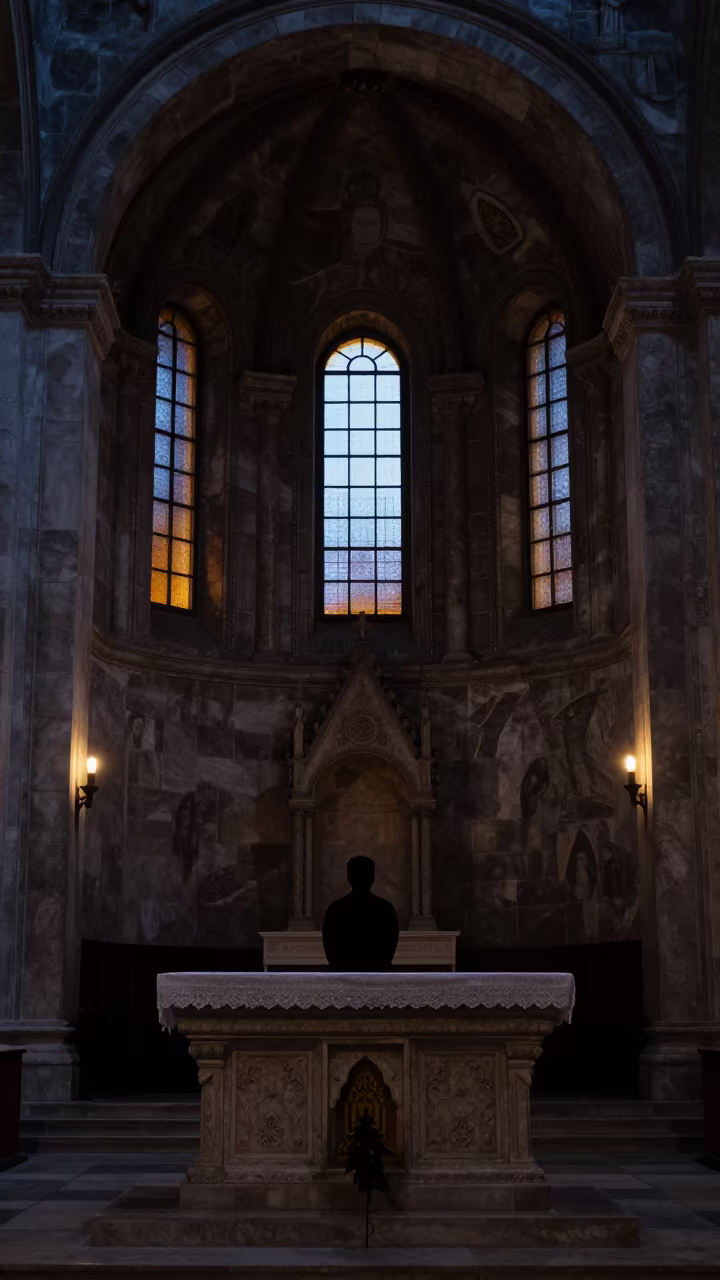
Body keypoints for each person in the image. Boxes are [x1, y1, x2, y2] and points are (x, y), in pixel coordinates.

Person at [322, 856, 400, 971]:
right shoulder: (385, 908)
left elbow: (330, 948)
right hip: (377, 974)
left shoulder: (336, 909)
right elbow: (389, 947)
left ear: (349, 878)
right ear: (372, 878)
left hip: (344, 975)